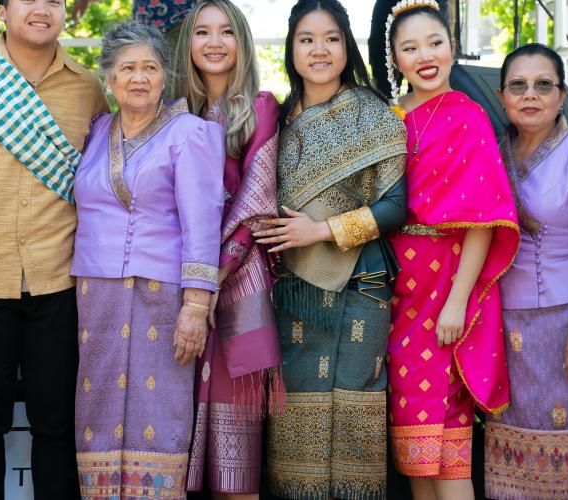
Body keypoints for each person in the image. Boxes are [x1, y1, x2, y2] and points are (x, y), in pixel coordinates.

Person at [0, 0, 108, 497]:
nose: (41, 9)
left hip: (61, 279)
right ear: (3, 10)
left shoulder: (88, 87)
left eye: (53, 0)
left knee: (56, 425)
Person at [253, 1, 408, 499]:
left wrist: (319, 232)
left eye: (331, 38)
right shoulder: (275, 120)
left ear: (346, 45)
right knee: (295, 413)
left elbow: (396, 207)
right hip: (291, 290)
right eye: (306, 39)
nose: (319, 50)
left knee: (355, 412)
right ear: (291, 49)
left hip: (360, 284)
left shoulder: (373, 113)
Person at [71, 20, 225, 500]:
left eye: (150, 68)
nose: (139, 78)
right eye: (127, 69)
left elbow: (203, 223)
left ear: (165, 77)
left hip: (163, 296)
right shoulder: (98, 131)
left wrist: (196, 307)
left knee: (157, 413)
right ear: (109, 79)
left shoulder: (191, 133)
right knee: (97, 413)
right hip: (95, 293)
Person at [382, 1, 520, 499]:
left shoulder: (468, 116)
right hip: (399, 288)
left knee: (450, 434)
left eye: (435, 43)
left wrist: (458, 302)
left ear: (453, 48)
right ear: (395, 57)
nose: (425, 55)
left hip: (445, 283)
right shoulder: (392, 119)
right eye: (410, 47)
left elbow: (484, 220)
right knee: (417, 448)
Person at [483, 43, 568, 499]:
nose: (531, 95)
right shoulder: (490, 153)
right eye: (518, 85)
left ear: (562, 97)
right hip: (504, 326)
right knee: (515, 451)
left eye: (544, 85)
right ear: (502, 95)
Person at [172, 1, 282, 497]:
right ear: (187, 44)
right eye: (202, 32)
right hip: (174, 285)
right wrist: (192, 283)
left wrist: (213, 277)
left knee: (238, 464)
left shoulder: (259, 106)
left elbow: (256, 202)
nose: (214, 43)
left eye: (226, 32)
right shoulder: (170, 112)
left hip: (237, 285)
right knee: (173, 439)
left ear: (241, 41)